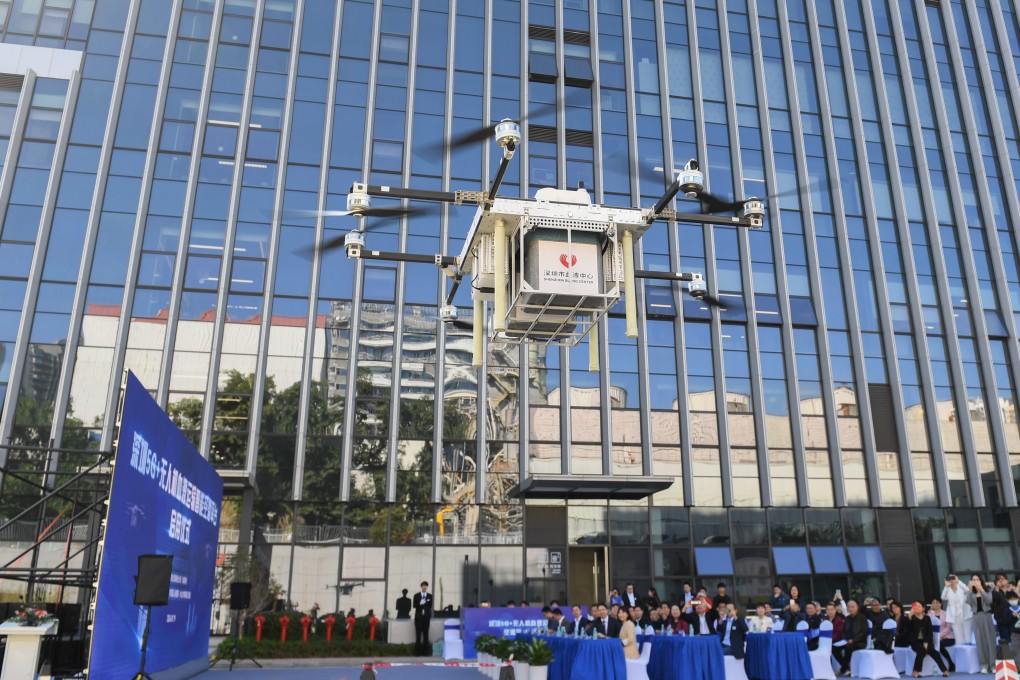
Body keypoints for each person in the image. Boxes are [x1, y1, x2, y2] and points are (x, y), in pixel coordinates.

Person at [906, 601, 949, 677]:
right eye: (915, 607)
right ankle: (916, 671)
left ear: (923, 608)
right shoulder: (911, 618)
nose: (917, 608)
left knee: (933, 651)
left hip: (927, 640)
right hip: (915, 642)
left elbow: (930, 633)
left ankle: (944, 670)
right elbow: (907, 631)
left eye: (919, 606)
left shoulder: (927, 618)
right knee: (922, 650)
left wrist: (926, 642)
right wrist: (909, 617)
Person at [968, 573, 996, 672]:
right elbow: (967, 601)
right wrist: (970, 589)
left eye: (977, 579)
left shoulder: (987, 590)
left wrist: (982, 590)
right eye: (973, 579)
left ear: (981, 580)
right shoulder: (971, 592)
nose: (975, 581)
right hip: (976, 617)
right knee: (980, 641)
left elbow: (989, 600)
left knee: (990, 641)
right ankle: (984, 665)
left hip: (986, 616)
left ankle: (993, 665)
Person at [834, 599, 869, 676]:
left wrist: (853, 640)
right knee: (834, 648)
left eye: (852, 607)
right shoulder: (847, 618)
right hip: (847, 641)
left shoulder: (862, 618)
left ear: (857, 607)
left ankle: (842, 669)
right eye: (849, 607)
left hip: (859, 642)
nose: (850, 609)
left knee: (848, 648)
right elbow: (843, 632)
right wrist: (844, 639)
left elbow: (864, 632)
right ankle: (846, 668)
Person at [942, 573, 974, 647]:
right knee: (959, 638)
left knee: (967, 636)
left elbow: (968, 591)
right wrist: (946, 586)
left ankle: (969, 653)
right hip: (954, 616)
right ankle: (961, 654)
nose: (952, 579)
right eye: (949, 578)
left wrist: (958, 581)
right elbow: (943, 597)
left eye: (953, 577)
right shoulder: (948, 590)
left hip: (965, 614)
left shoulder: (961, 587)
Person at [992, 573, 1017, 658]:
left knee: (1015, 641)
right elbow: (995, 598)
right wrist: (997, 588)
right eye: (999, 579)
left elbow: (1015, 602)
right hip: (1002, 621)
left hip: (1012, 620)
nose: (1002, 581)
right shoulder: (995, 592)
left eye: (1003, 579)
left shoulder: (1010, 591)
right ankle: (1010, 661)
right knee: (1006, 641)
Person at [929, 598, 956, 673]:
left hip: (947, 637)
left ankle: (950, 663)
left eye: (937, 602)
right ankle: (948, 664)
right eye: (933, 602)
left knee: (939, 644)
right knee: (937, 644)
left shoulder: (946, 613)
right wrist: (936, 637)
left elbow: (948, 628)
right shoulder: (929, 614)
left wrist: (940, 636)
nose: (935, 604)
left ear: (940, 604)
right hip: (934, 638)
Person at [413, 580, 432, 656]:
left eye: (426, 586)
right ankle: (417, 652)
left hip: (426, 618)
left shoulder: (429, 596)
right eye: (423, 586)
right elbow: (414, 605)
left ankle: (425, 652)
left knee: (426, 634)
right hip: (418, 618)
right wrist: (420, 604)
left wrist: (426, 603)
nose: (424, 587)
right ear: (421, 587)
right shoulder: (416, 595)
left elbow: (430, 605)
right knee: (418, 634)